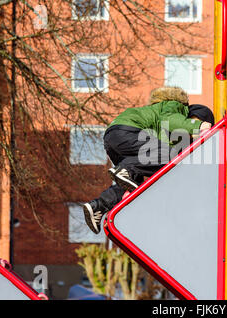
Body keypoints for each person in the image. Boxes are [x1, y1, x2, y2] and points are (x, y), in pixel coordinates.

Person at [83, 86, 215, 234]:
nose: (191, 137)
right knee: (170, 156)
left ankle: (99, 206)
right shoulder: (174, 106)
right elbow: (171, 120)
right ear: (191, 114)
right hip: (127, 131)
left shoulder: (160, 122)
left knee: (135, 181)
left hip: (113, 138)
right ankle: (126, 169)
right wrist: (199, 126)